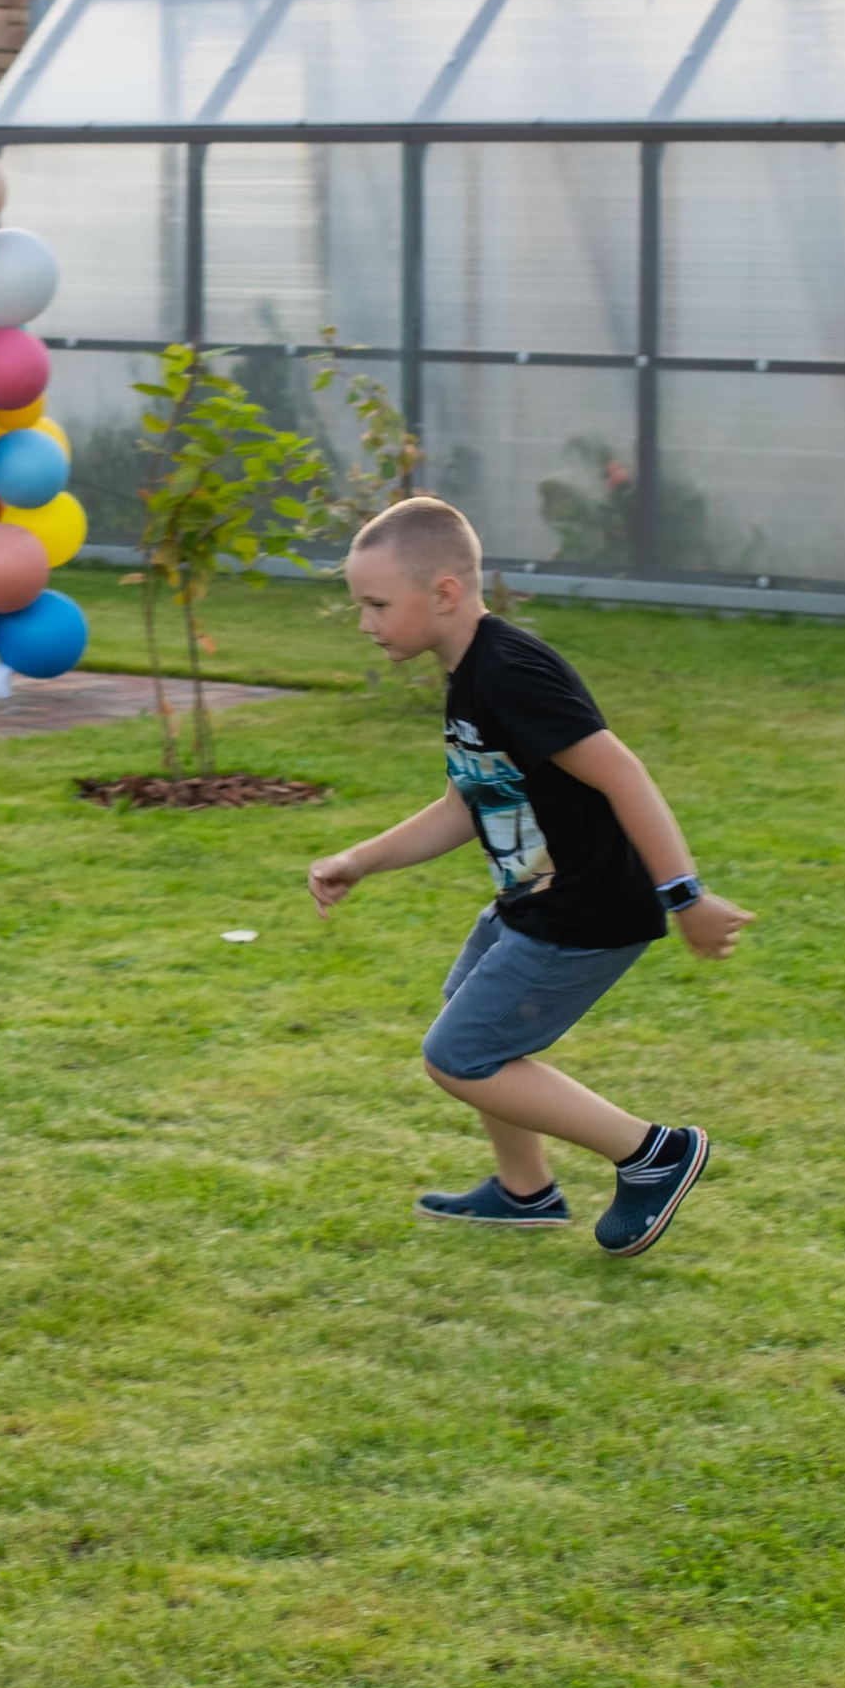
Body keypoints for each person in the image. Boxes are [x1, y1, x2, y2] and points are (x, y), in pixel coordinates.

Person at [305, 494, 753, 1253]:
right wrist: (360, 861)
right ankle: (525, 1191)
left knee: (459, 1055)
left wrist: (687, 897)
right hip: (536, 900)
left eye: (377, 603)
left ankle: (653, 1153)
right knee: (466, 1014)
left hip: (588, 909)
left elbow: (625, 775)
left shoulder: (510, 673)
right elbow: (464, 803)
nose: (365, 623)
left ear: (444, 593)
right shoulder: (469, 673)